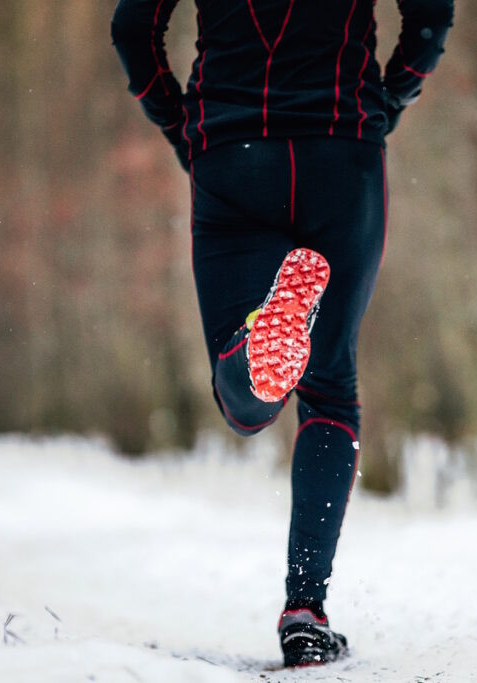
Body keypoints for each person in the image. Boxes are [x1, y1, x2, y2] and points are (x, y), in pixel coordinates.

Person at [111, 0, 452, 667]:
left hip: (232, 155)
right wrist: (392, 95)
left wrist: (182, 126)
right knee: (330, 391)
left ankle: (255, 361)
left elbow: (132, 28)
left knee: (242, 399)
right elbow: (432, 12)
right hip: (341, 151)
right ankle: (304, 607)